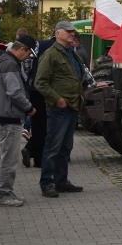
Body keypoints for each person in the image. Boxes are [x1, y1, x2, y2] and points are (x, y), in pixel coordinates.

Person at [34, 20, 87, 197]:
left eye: (73, 31)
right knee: (52, 147)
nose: (72, 34)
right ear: (58, 33)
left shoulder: (72, 53)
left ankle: (61, 181)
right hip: (60, 108)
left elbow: (79, 76)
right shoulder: (51, 54)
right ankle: (47, 183)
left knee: (66, 147)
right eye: (68, 31)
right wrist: (57, 99)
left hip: (73, 106)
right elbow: (40, 83)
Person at [0, 34, 38, 207]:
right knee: (9, 159)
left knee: (8, 156)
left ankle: (6, 191)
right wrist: (29, 107)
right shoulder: (10, 64)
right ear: (22, 49)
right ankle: (4, 194)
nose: (29, 57)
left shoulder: (4, 61)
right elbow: (14, 92)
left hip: (1, 114)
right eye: (29, 53)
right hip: (9, 116)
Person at [22, 33, 55, 168]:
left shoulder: (39, 44)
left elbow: (27, 65)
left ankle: (32, 151)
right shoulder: (63, 48)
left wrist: (31, 79)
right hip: (49, 90)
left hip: (34, 89)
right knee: (46, 126)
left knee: (38, 124)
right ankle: (36, 155)